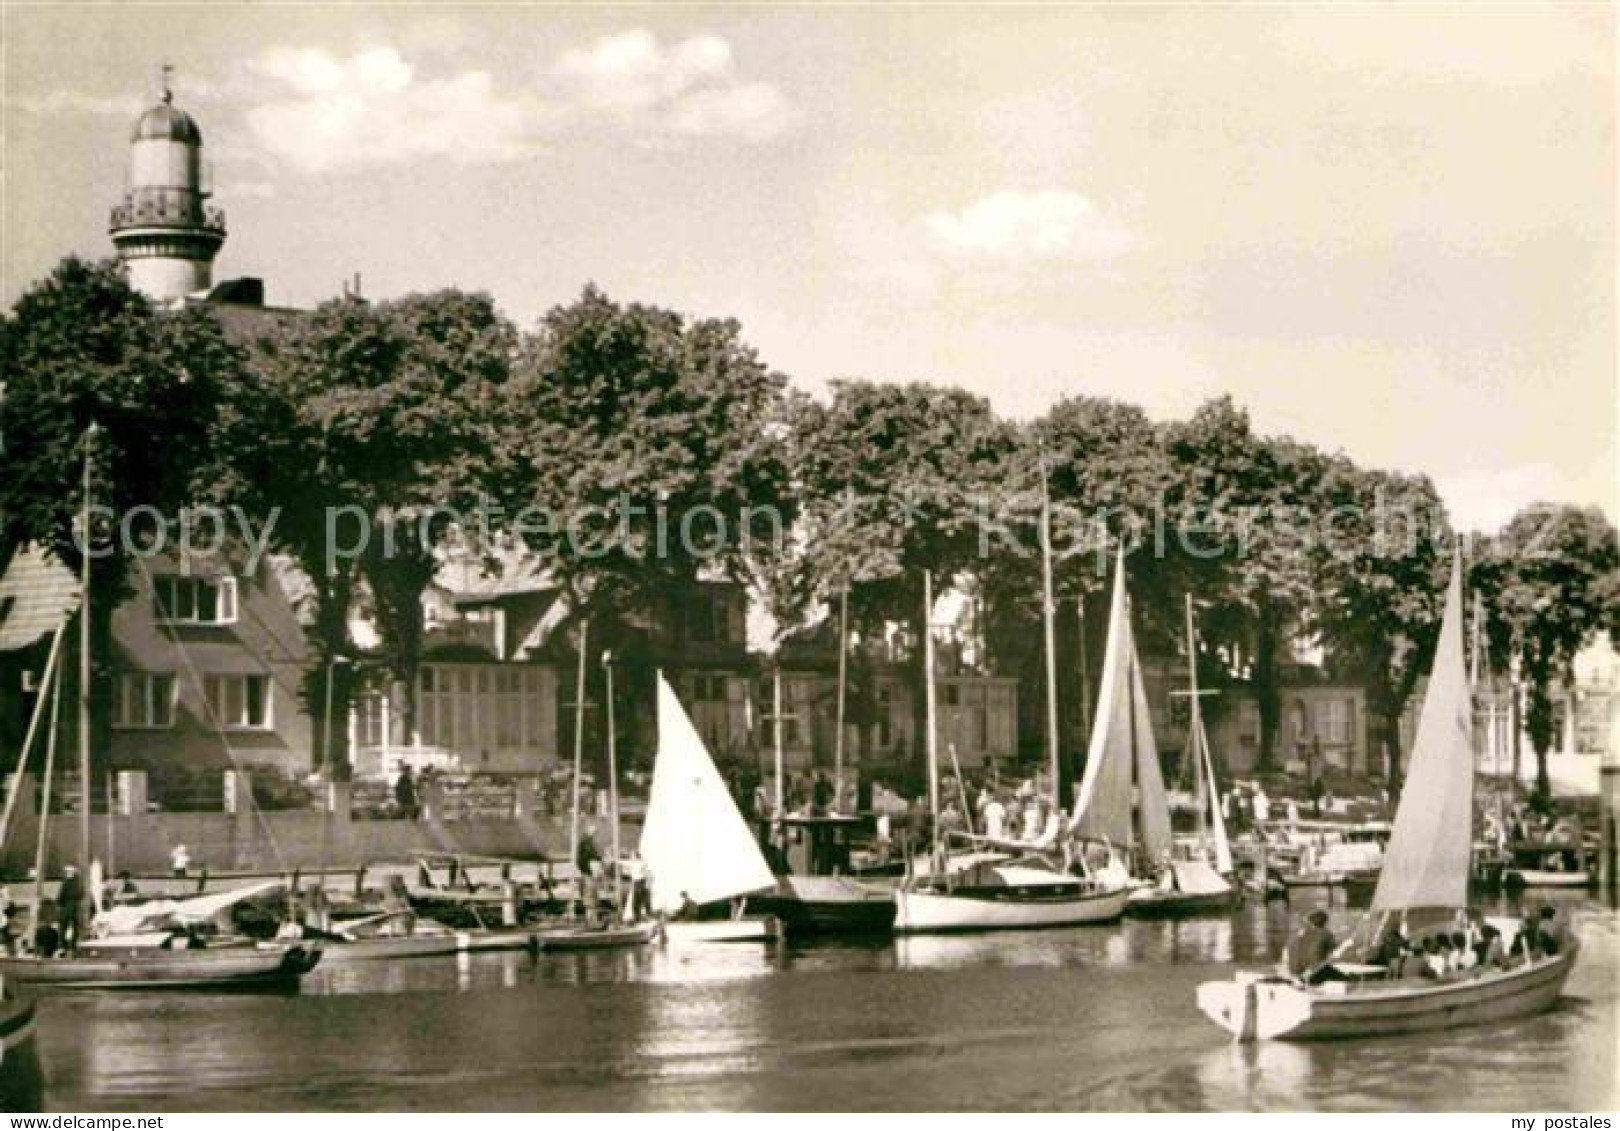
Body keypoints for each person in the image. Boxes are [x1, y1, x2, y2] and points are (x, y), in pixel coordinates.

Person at [1286, 909, 1335, 982]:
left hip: (1295, 970)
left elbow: (1290, 948)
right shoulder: (1327, 935)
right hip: (1311, 971)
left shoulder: (1301, 933)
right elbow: (1331, 953)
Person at [56, 864, 84, 954]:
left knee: (63, 927)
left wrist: (59, 903)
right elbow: (81, 894)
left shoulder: (65, 883)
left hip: (66, 908)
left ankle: (63, 946)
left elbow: (61, 896)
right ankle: (73, 946)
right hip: (75, 908)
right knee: (75, 927)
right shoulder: (78, 884)